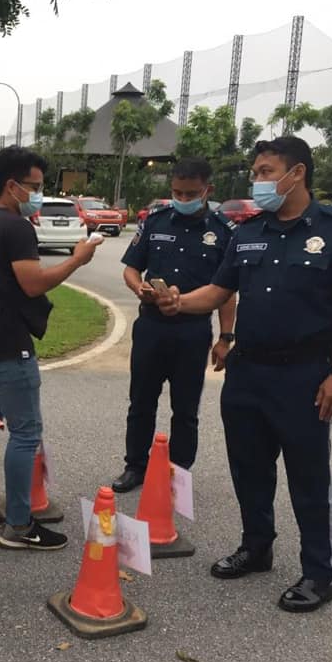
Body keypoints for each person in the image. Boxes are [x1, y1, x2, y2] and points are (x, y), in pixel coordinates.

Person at [156, 136, 332, 612]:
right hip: (247, 373)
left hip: (304, 375)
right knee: (249, 468)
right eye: (255, 171)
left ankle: (320, 571)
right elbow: (218, 290)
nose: (257, 180)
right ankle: (257, 547)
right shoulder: (248, 231)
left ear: (296, 174)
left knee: (308, 476)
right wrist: (178, 302)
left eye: (264, 171)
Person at [0, 145, 100, 550]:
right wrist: (78, 259)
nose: (38, 195)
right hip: (10, 348)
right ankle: (18, 524)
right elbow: (33, 283)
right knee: (26, 434)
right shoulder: (15, 228)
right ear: (11, 186)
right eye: (34, 187)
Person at [113, 157, 237, 493]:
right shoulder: (156, 221)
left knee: (185, 408)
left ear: (207, 190)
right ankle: (135, 466)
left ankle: (176, 473)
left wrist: (226, 338)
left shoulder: (223, 231)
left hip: (193, 332)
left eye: (191, 194)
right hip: (151, 328)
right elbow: (130, 268)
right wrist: (138, 286)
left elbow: (227, 293)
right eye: (177, 193)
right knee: (141, 401)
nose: (183, 200)